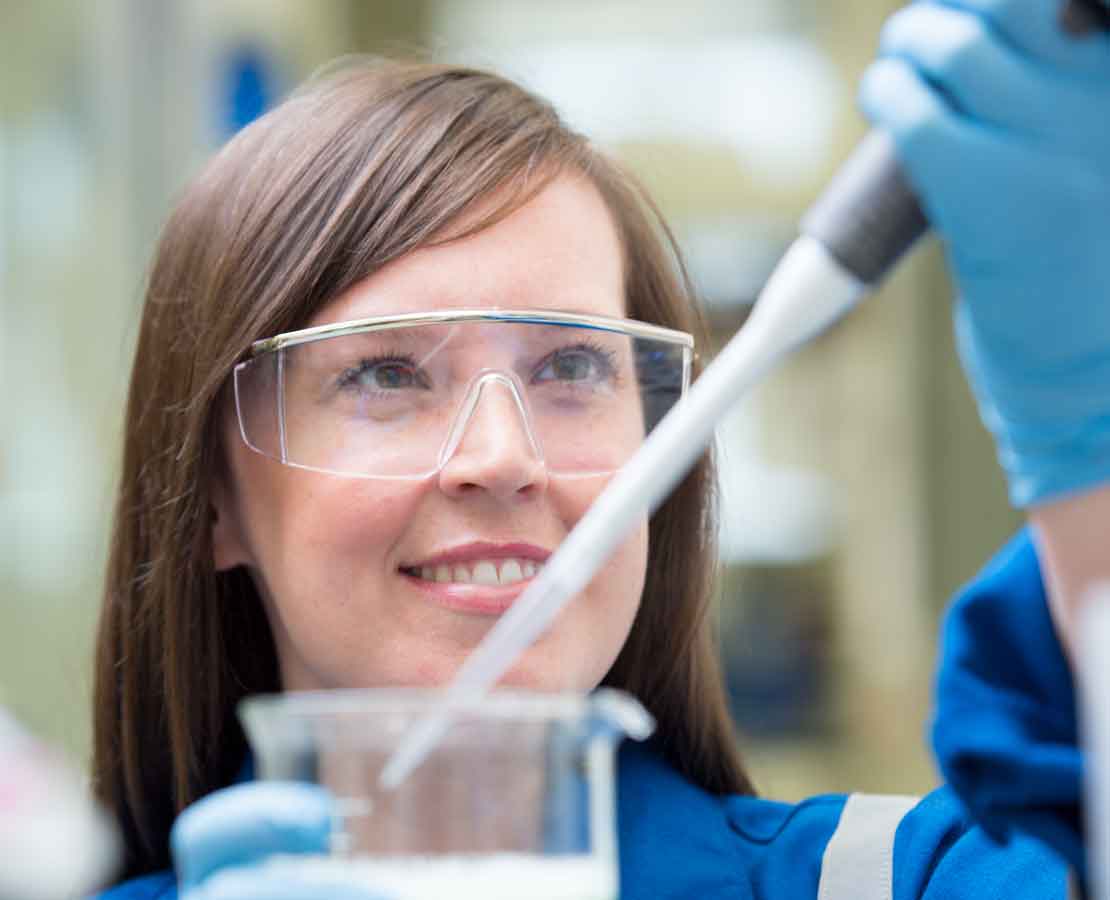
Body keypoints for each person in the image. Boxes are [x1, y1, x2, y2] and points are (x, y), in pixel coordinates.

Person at [90, 1, 1110, 897]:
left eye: (572, 369)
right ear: (216, 500)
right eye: (386, 374)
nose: (501, 456)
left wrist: (1088, 463)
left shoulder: (902, 882)